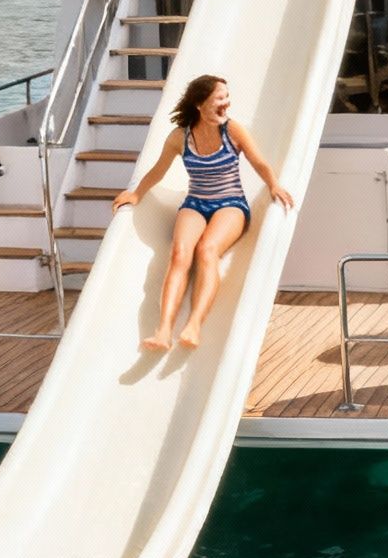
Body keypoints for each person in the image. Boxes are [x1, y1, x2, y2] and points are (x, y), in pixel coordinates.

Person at [113, 74, 295, 352]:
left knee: (207, 251)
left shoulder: (233, 131)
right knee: (179, 255)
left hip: (231, 204)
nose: (226, 103)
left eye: (226, 97)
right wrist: (136, 193)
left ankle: (195, 324)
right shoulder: (180, 137)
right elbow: (159, 169)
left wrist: (274, 185)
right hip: (196, 203)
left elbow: (258, 162)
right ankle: (163, 331)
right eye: (219, 99)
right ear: (200, 104)